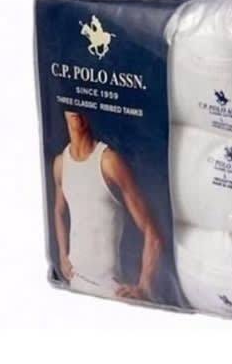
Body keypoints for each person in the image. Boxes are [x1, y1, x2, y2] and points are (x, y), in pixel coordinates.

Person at [53, 111, 162, 300]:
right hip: (76, 282)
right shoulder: (61, 164)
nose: (76, 112)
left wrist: (144, 286)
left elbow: (153, 232)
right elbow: (59, 211)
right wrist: (63, 255)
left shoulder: (109, 162)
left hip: (110, 290)